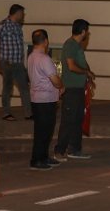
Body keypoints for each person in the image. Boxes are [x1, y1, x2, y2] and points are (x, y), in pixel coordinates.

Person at [54, 19, 95, 161]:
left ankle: (75, 149)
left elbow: (81, 63)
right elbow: (71, 66)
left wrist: (88, 75)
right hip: (71, 89)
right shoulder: (70, 45)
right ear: (83, 31)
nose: (87, 34)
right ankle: (59, 150)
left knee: (78, 119)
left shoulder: (77, 46)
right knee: (68, 120)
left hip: (78, 88)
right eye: (87, 31)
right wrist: (85, 72)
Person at [27, 29, 64, 171]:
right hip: (45, 100)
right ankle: (37, 159)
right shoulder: (44, 59)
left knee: (43, 130)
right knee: (44, 131)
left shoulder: (31, 57)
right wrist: (61, 85)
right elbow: (54, 79)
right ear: (46, 41)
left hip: (37, 99)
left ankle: (43, 156)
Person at [0, 4, 32, 121]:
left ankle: (28, 113)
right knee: (8, 87)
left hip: (17, 62)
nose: (23, 16)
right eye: (22, 14)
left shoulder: (18, 26)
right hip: (7, 62)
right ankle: (6, 113)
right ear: (17, 13)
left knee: (24, 87)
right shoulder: (3, 25)